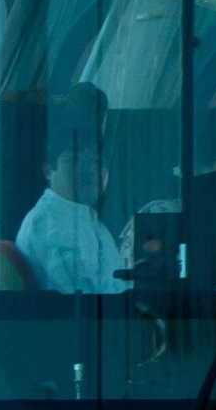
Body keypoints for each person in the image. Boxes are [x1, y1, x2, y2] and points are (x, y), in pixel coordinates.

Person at [15, 114, 133, 296]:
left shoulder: (87, 220)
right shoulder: (49, 225)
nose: (88, 169)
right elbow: (84, 303)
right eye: (74, 159)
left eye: (95, 160)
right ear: (48, 170)